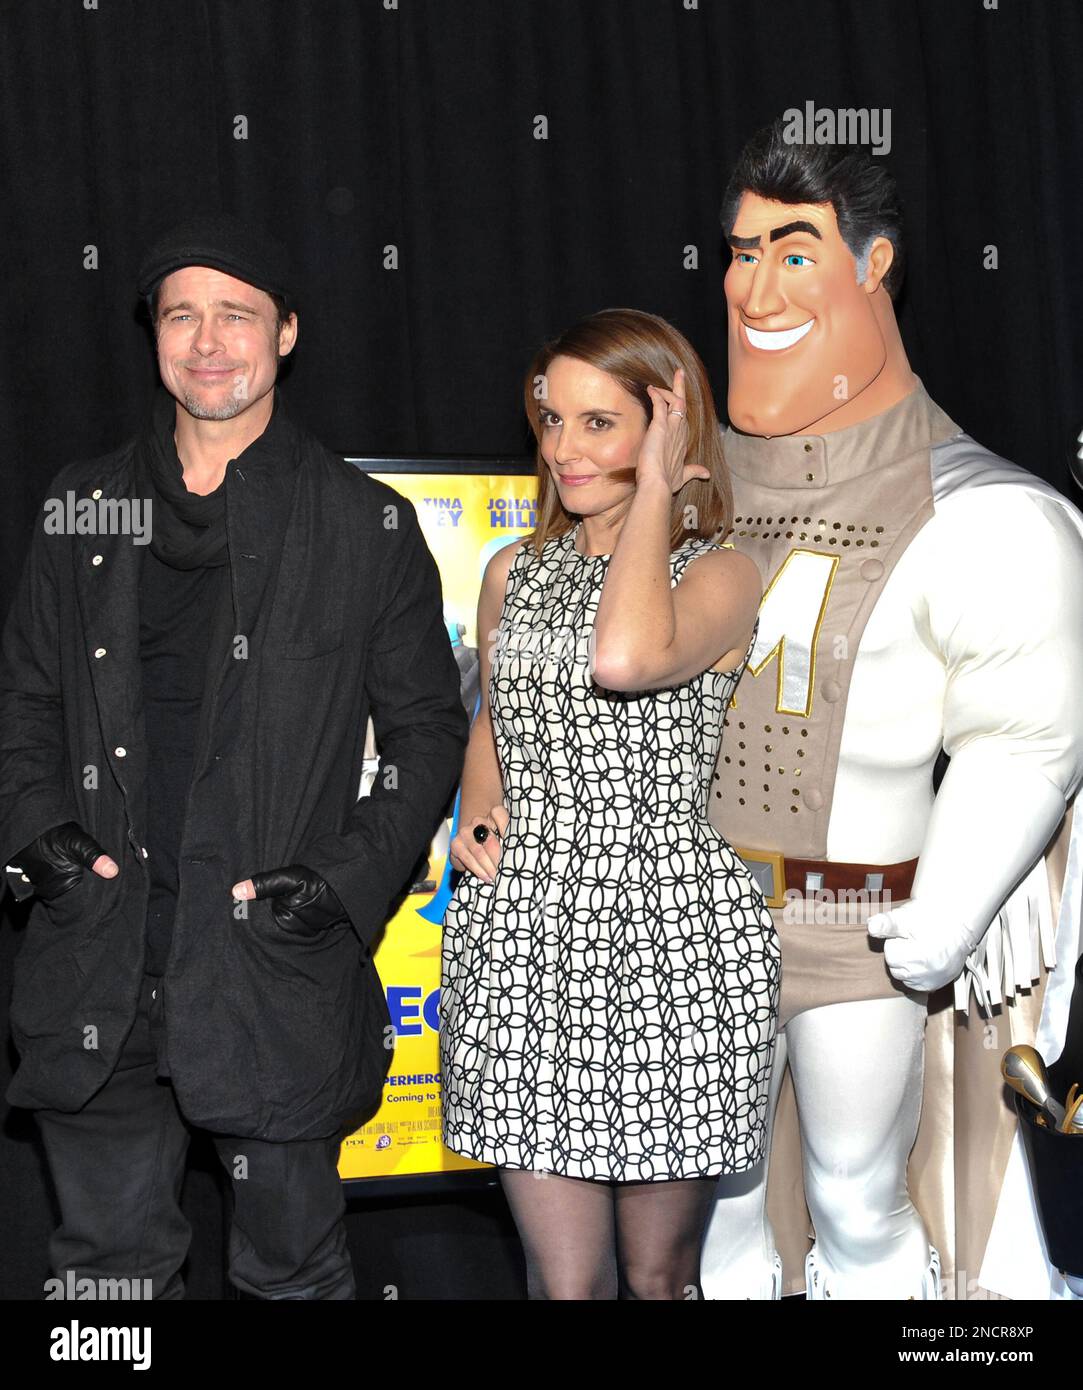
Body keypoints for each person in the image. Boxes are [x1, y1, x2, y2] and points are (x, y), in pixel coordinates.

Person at [0, 212, 469, 1300]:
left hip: (273, 980)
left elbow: (429, 733)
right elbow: (22, 694)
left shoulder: (367, 526)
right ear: (154, 334)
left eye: (237, 314)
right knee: (104, 1284)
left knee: (293, 1275)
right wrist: (37, 837)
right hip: (97, 968)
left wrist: (343, 886)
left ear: (287, 332)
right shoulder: (82, 506)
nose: (208, 340)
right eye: (181, 313)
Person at [699, 117, 1083, 1300]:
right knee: (711, 1203)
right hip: (690, 922)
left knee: (857, 1194)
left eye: (794, 248)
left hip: (856, 925)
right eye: (741, 248)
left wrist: (963, 888)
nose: (754, 283)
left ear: (874, 266)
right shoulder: (680, 483)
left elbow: (1027, 733)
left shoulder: (987, 511)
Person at [439, 307, 781, 1299]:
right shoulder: (513, 572)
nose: (562, 449)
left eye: (600, 422)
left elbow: (625, 658)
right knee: (565, 1281)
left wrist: (654, 502)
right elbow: (496, 721)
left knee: (659, 1272)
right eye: (551, 420)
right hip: (528, 937)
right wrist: (481, 815)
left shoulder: (719, 572)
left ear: (669, 428)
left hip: (674, 942)